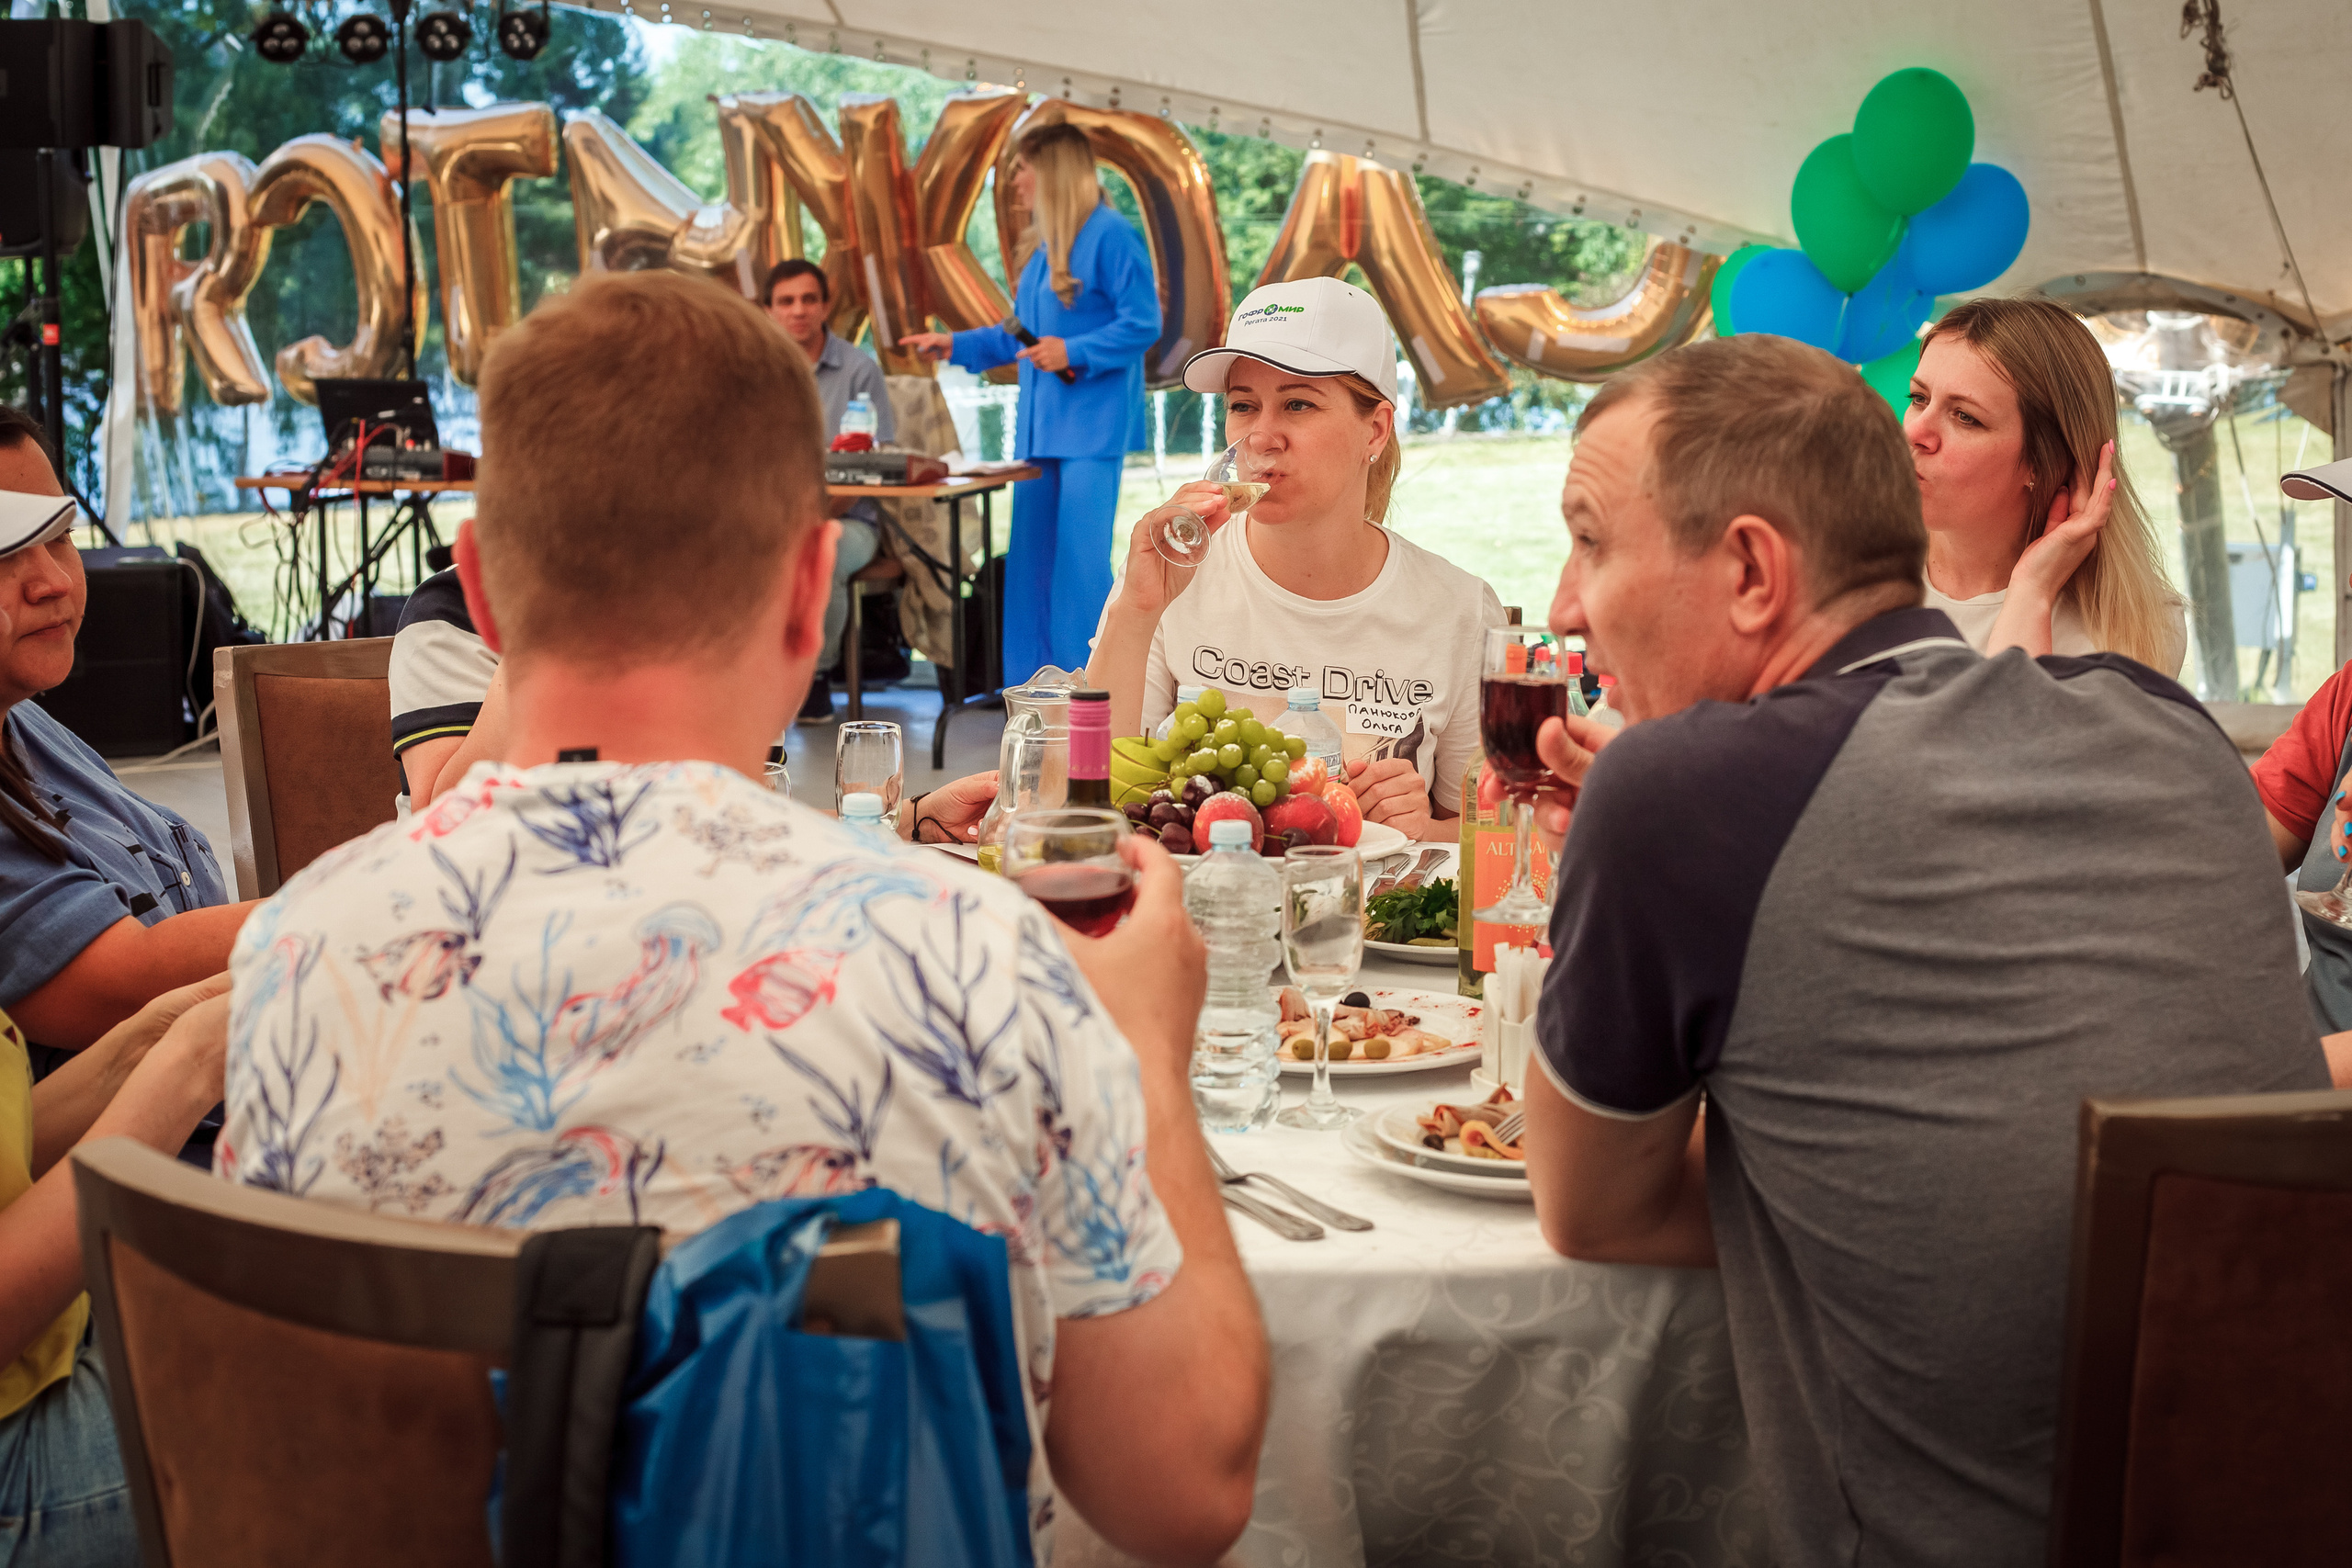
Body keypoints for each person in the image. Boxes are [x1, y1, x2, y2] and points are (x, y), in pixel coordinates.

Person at [224, 270, 1268, 1562]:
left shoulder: (299, 950)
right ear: (809, 586)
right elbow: (1185, 1491)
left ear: (482, 594)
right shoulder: (970, 954)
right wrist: (1147, 1061)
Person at [1503, 333, 2324, 1567]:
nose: (1569, 603)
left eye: (1591, 539)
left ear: (1749, 570)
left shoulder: (1676, 795)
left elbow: (1587, 1208)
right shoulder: (2167, 723)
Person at [1087, 276, 1504, 841]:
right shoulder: (1170, 577)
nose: (1261, 437)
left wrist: (1428, 827)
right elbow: (1087, 792)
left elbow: (1499, 829)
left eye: (1298, 404)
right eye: (1243, 406)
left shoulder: (1459, 610)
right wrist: (1135, 612)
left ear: (1375, 430)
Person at [390, 563, 1002, 842]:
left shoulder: (716, 622)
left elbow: (742, 818)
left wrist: (907, 819)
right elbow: (440, 823)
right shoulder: (456, 614)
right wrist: (548, 630)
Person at [0, 407, 254, 1054]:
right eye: (3, 553)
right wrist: (378, 893)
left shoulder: (24, 721)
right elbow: (129, 988)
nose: (54, 581)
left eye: (59, 536)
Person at [900, 122, 1161, 680]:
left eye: (1022, 167)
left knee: (1077, 569)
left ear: (1053, 171)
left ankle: (1087, 695)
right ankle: (1029, 698)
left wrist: (1074, 349)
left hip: (1091, 430)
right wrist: (953, 344)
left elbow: (1144, 323)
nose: (1014, 179)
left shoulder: (1111, 235)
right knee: (1029, 570)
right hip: (1041, 433)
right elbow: (1019, 336)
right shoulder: (1044, 251)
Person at [0, 976, 228, 1562]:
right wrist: (188, 1067)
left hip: (57, 1340)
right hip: (14, 1454)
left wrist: (147, 1043)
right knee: (395, 1390)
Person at [1906, 295, 2188, 675]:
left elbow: (2017, 733)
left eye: (1965, 417)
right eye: (1919, 398)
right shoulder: (1847, 571)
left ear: (2045, 461)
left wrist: (2032, 591)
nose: (1916, 432)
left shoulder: (2133, 628)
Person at [763, 257, 898, 724]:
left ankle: (815, 678)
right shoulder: (758, 372)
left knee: (823, 550)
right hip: (769, 516)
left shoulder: (859, 370)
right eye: (786, 301)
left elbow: (867, 468)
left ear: (824, 307)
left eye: (808, 299)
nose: (797, 310)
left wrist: (811, 515)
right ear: (769, 311)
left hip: (848, 517)